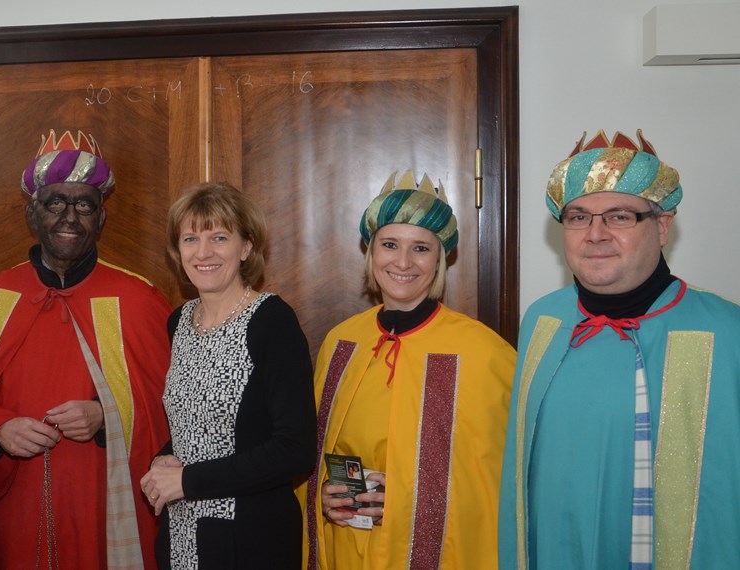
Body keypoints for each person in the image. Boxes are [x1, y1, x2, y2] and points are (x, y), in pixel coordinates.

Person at [499, 129, 740, 569]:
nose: (596, 234)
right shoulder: (542, 322)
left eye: (620, 216)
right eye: (578, 217)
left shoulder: (726, 332)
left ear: (662, 225)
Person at [0, 129, 172, 570]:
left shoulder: (140, 299)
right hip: (15, 509)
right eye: (55, 203)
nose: (70, 216)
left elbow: (172, 408)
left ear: (101, 218)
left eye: (84, 204)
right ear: (34, 215)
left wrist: (106, 415)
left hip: (104, 506)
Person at [300, 171, 516, 569]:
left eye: (420, 248)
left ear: (441, 258)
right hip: (349, 544)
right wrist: (325, 493)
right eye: (389, 245)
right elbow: (310, 454)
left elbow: (504, 482)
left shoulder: (484, 352)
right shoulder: (341, 343)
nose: (402, 262)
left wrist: (408, 495)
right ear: (370, 251)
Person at [140, 182, 316, 569]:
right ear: (177, 251)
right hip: (183, 535)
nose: (203, 252)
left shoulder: (272, 321)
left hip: (251, 539)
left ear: (247, 247)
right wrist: (163, 460)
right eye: (191, 239)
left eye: (219, 237)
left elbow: (294, 448)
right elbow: (196, 425)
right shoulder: (179, 322)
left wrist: (188, 481)